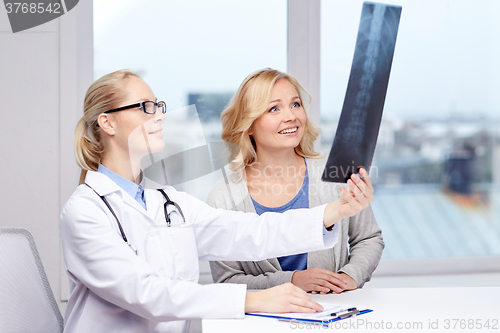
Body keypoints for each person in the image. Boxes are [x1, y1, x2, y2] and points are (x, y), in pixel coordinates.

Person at [59, 69, 374, 333]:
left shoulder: (168, 201)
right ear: (108, 123)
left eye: (158, 105)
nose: (160, 116)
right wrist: (253, 299)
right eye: (145, 107)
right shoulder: (85, 211)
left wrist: (334, 211)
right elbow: (148, 294)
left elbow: (250, 232)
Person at [208, 68, 384, 294]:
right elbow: (227, 280)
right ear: (249, 124)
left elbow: (369, 238)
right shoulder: (224, 197)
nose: (291, 116)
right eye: (274, 108)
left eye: (295, 104)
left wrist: (350, 276)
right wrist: (291, 281)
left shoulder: (335, 176)